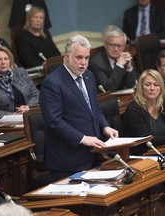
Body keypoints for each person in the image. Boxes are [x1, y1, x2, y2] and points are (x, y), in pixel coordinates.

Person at [39, 35, 119, 182]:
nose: (83, 63)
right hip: (67, 159)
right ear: (67, 57)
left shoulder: (89, 76)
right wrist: (82, 139)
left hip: (92, 154)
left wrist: (105, 127)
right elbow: (54, 122)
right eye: (79, 58)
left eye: (87, 58)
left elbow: (94, 108)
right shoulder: (52, 83)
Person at [122, 69, 165, 155]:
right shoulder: (133, 110)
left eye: (156, 85)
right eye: (147, 85)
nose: (152, 88)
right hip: (143, 154)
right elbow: (145, 140)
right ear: (141, 87)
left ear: (161, 88)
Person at [0, 47, 39, 119]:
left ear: (10, 61)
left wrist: (28, 106)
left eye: (6, 59)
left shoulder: (21, 72)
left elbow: (36, 94)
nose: (3, 62)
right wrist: (12, 115)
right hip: (10, 119)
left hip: (30, 112)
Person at [88, 25, 137, 93]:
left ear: (123, 47)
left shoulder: (126, 58)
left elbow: (130, 85)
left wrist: (129, 68)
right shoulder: (96, 63)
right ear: (105, 44)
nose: (116, 49)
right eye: (112, 45)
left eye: (119, 46)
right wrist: (119, 65)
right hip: (106, 101)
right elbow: (108, 89)